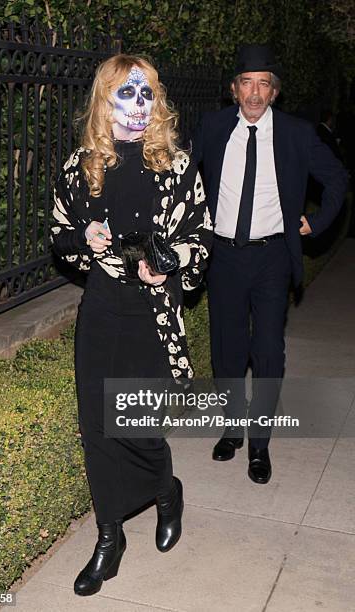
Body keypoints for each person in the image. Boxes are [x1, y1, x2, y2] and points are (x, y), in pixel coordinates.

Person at [51, 54, 212, 596]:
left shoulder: (178, 166)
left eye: (147, 94)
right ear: (105, 100)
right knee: (97, 426)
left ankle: (167, 491)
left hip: (151, 313)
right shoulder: (80, 167)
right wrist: (83, 240)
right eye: (127, 93)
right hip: (100, 310)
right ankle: (108, 536)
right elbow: (59, 236)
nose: (140, 105)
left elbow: (202, 239)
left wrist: (167, 261)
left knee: (138, 426)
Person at [192, 44, 347, 484]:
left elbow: (336, 178)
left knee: (267, 352)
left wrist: (315, 224)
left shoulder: (297, 133)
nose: (255, 92)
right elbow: (183, 176)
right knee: (226, 349)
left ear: (274, 92)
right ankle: (232, 426)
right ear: (234, 89)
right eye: (247, 83)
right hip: (222, 256)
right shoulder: (215, 126)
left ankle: (259, 444)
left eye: (264, 84)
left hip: (273, 257)